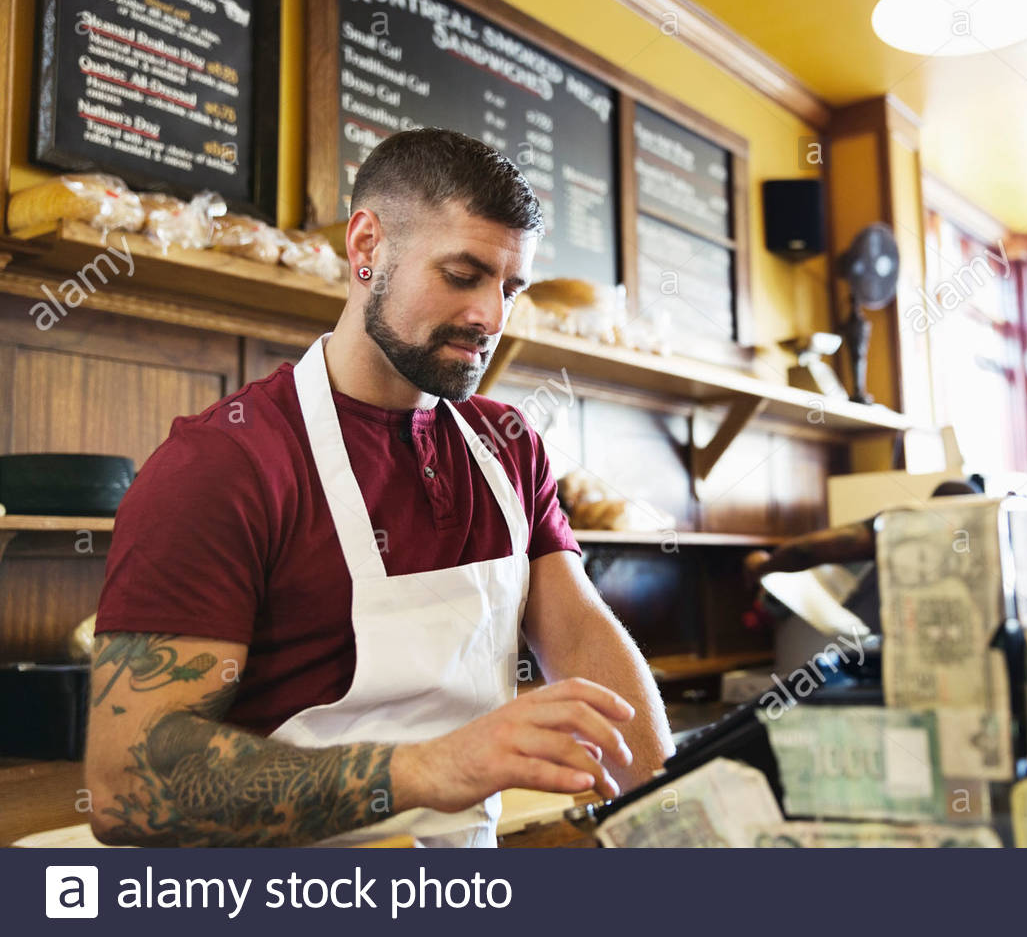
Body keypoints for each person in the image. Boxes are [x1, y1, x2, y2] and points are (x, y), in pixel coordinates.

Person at [85, 128, 674, 847]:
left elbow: (581, 637)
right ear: (366, 249)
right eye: (462, 275)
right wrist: (428, 769)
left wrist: (669, 814)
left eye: (509, 288)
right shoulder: (223, 464)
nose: (490, 317)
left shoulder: (507, 447)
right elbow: (127, 784)